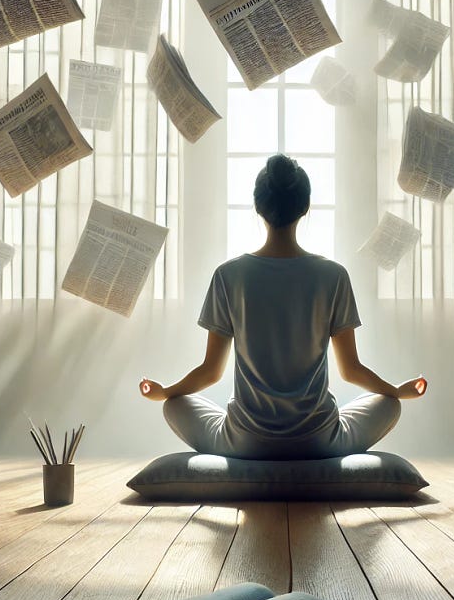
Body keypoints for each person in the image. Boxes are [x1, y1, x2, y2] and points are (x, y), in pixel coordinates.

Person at [139, 154, 427, 460]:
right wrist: (396, 391)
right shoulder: (333, 275)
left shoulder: (228, 275)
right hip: (319, 440)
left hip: (246, 442)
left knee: (174, 405)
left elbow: (210, 372)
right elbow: (351, 370)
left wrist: (166, 391)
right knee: (389, 404)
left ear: (258, 206)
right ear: (305, 207)